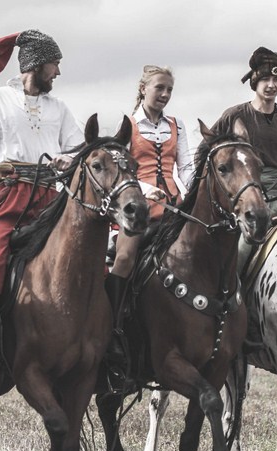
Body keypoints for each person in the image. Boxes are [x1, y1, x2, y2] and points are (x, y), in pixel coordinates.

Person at [0, 29, 81, 395]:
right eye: (54, 64)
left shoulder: (60, 109)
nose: (57, 72)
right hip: (9, 198)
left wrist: (68, 158)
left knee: (85, 261)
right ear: (35, 64)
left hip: (50, 198)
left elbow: (80, 147)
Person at [107, 65, 194, 334]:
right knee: (123, 259)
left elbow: (187, 167)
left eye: (169, 89)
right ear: (143, 88)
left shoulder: (176, 125)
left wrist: (195, 195)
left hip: (173, 210)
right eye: (160, 88)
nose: (165, 94)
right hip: (138, 211)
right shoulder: (127, 126)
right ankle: (112, 322)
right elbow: (118, 170)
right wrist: (144, 190)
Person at [212, 46, 277, 219]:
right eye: (265, 79)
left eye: (276, 80)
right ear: (255, 82)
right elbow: (206, 151)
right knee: (243, 247)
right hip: (243, 194)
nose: (271, 85)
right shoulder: (234, 115)